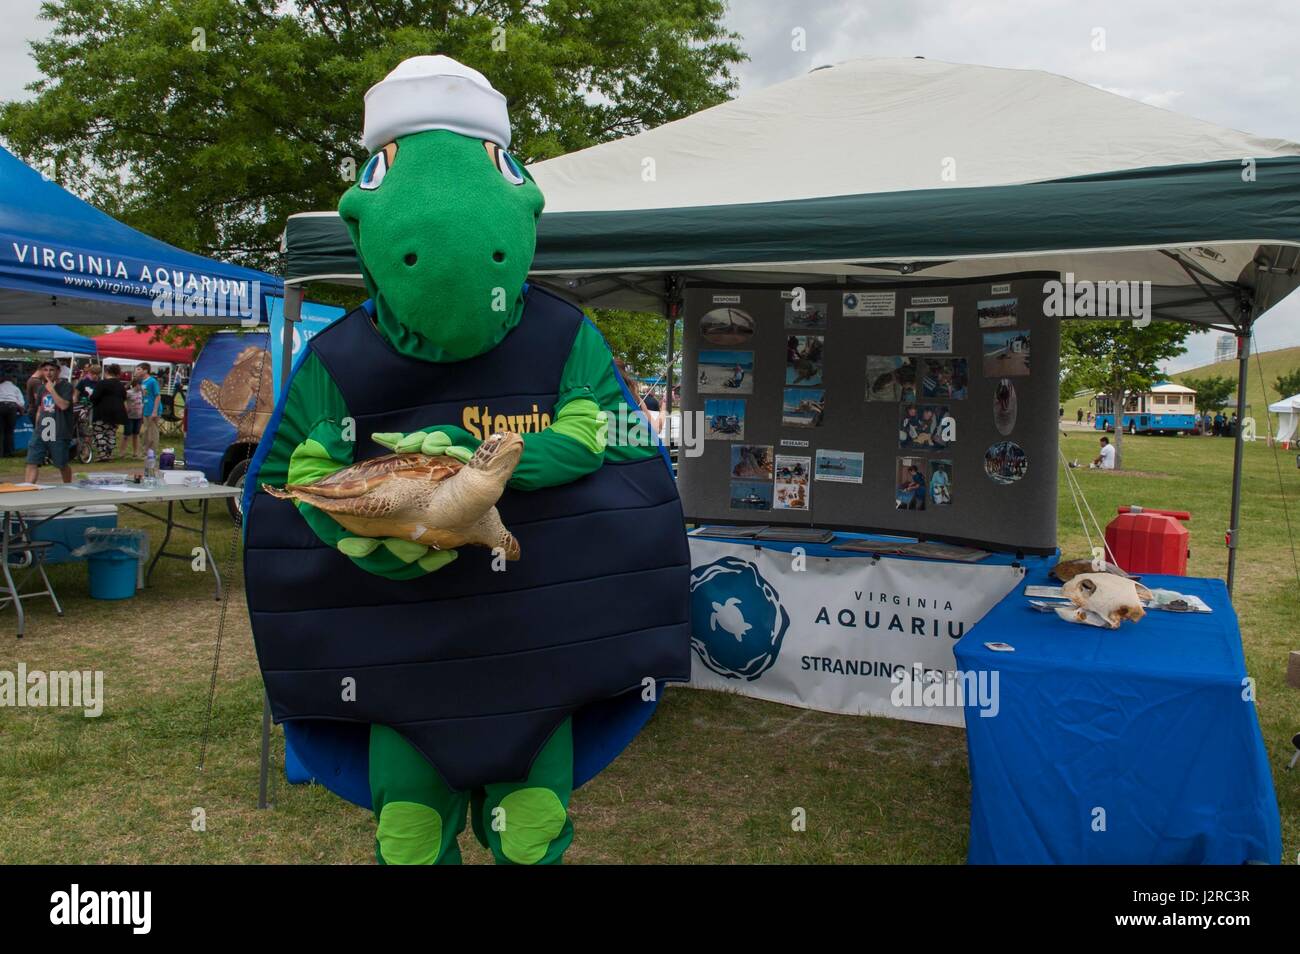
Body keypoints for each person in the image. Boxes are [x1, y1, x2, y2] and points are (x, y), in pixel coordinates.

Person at [25, 360, 74, 484]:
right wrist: (37, 428)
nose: (48, 373)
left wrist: (52, 390)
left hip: (58, 429)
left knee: (61, 464)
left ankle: (68, 487)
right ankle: (27, 488)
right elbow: (39, 410)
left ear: (58, 371)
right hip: (42, 429)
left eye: (51, 370)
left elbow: (63, 406)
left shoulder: (66, 386)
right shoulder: (41, 388)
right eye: (45, 370)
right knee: (32, 461)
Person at [90, 363, 128, 462]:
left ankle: (102, 454)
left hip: (102, 411)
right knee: (111, 433)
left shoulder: (102, 383)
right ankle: (109, 454)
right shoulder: (120, 385)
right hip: (117, 413)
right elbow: (124, 397)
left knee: (99, 432)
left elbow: (94, 397)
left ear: (106, 372)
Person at [135, 362, 161, 456]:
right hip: (146, 409)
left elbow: (157, 396)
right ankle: (146, 451)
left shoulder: (152, 381)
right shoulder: (142, 381)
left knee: (153, 432)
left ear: (145, 370)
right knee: (146, 432)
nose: (136, 371)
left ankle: (152, 452)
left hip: (153, 410)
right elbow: (144, 396)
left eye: (139, 369)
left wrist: (155, 411)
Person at [0, 373, 25, 457]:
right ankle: (9, 453)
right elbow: (21, 403)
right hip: (12, 408)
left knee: (1, 431)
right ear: (12, 380)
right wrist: (21, 411)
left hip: (0, 406)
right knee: (9, 432)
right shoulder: (15, 388)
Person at [124, 375, 144, 458]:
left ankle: (135, 452)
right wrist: (126, 407)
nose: (142, 387)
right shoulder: (129, 392)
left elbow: (143, 402)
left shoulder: (141, 393)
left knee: (136, 434)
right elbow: (123, 400)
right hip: (129, 417)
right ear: (136, 384)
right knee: (127, 435)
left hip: (138, 416)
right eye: (140, 385)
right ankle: (122, 452)